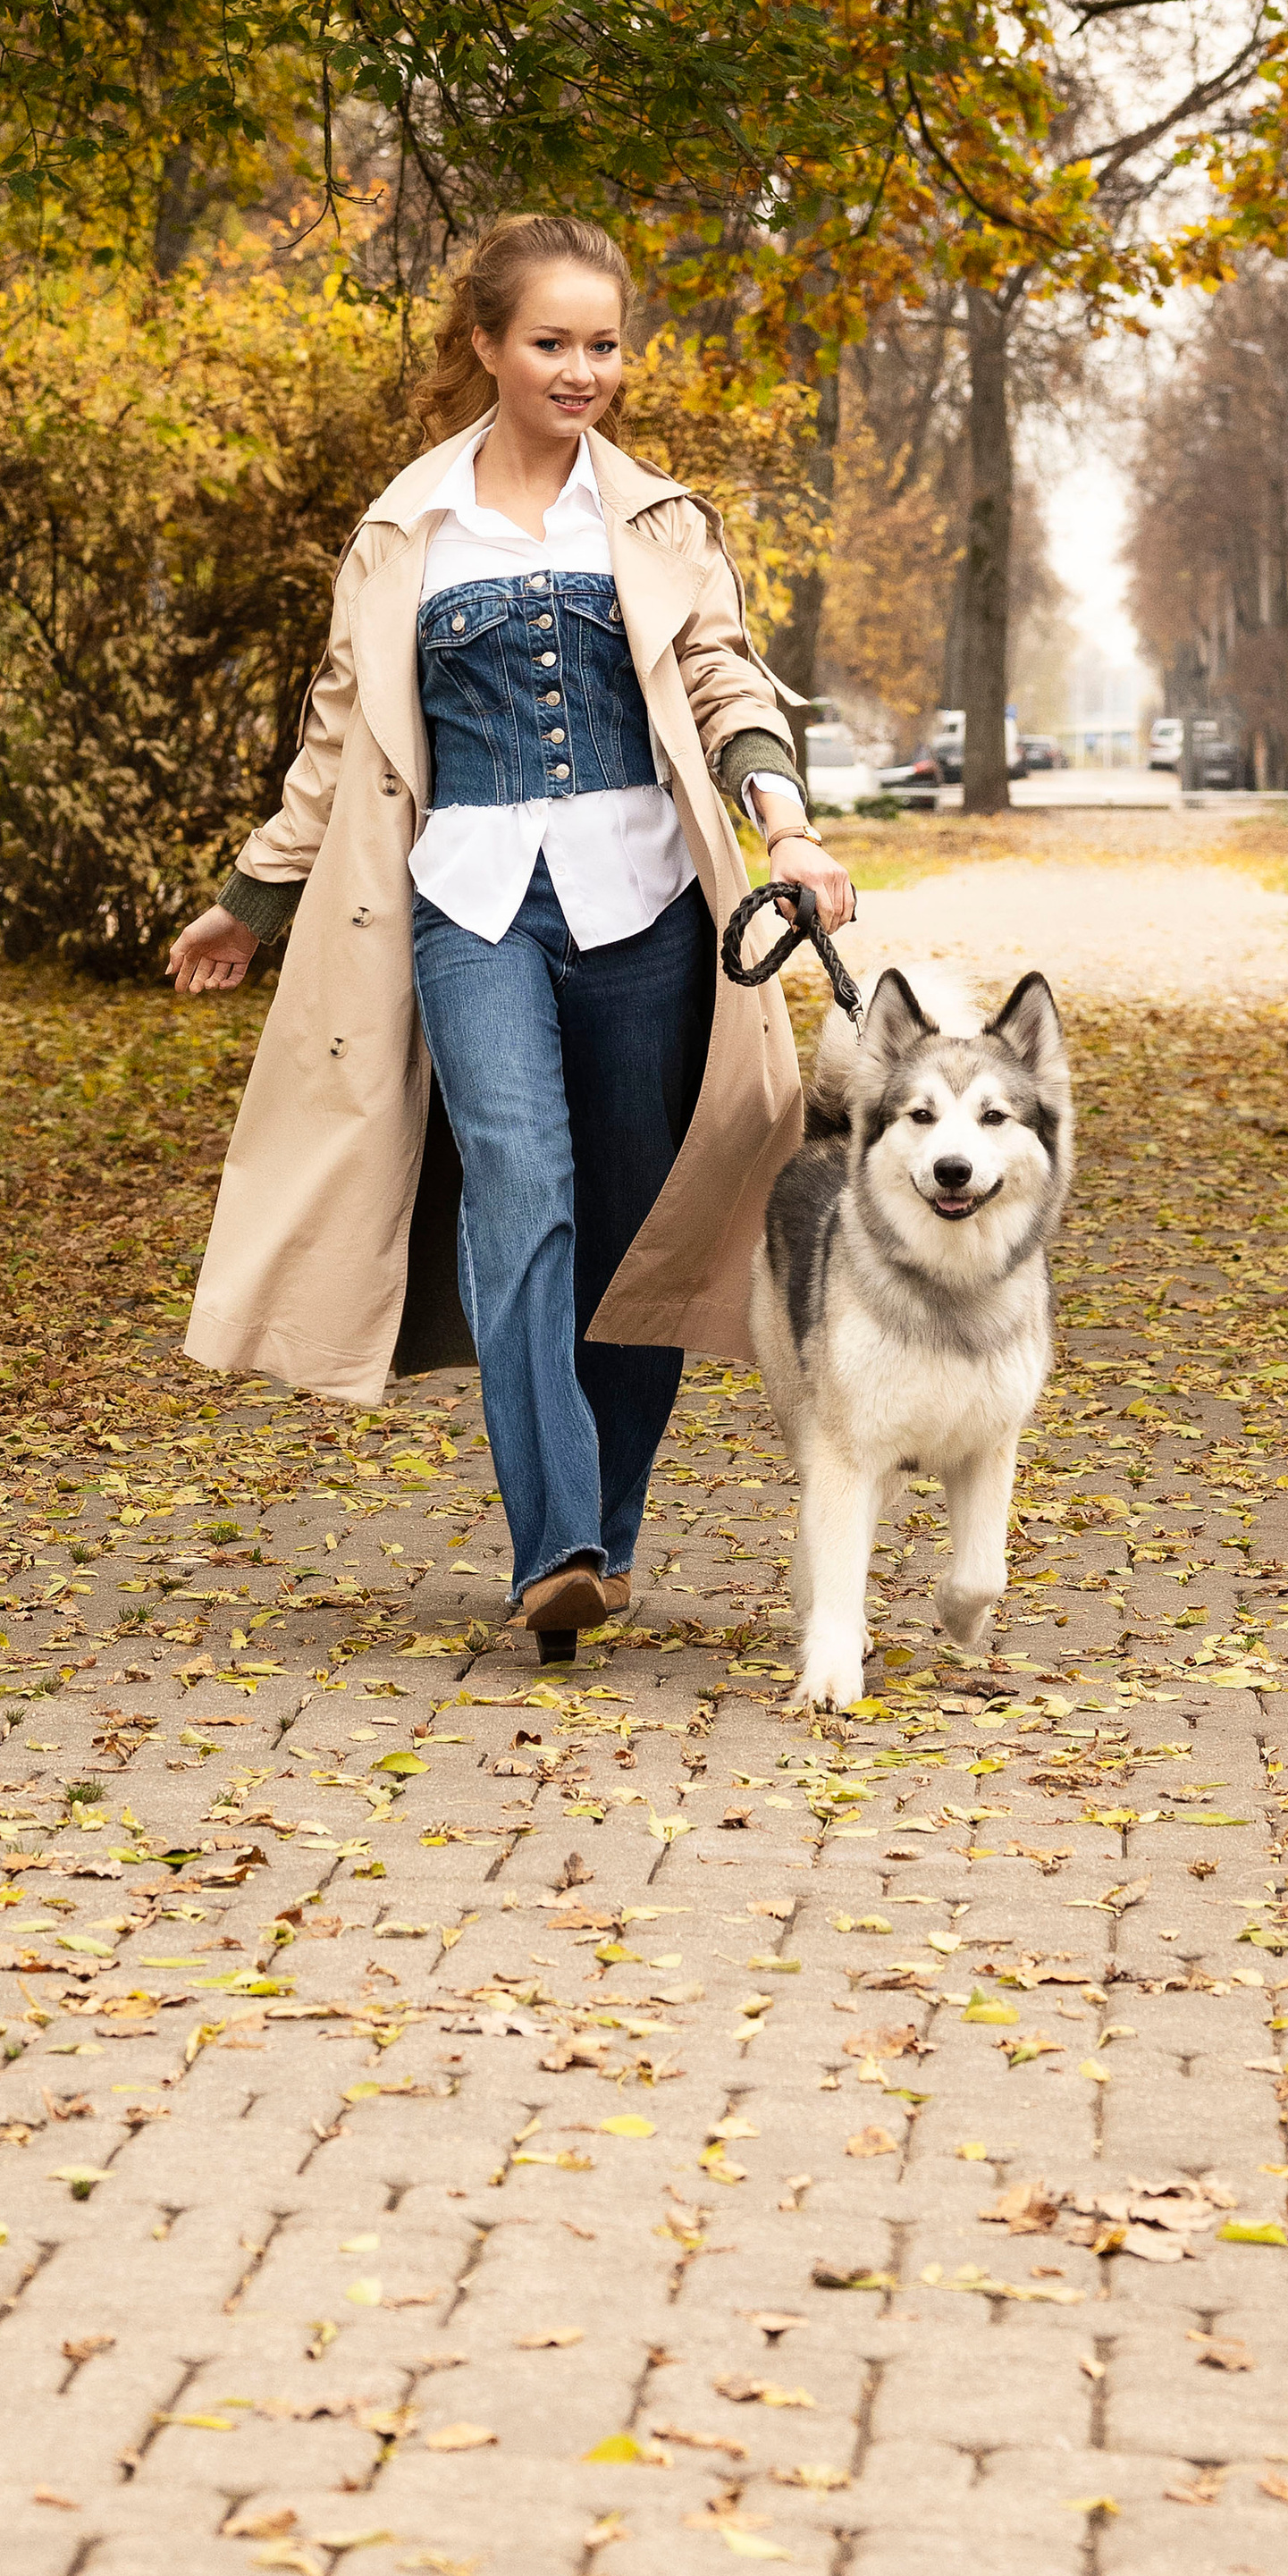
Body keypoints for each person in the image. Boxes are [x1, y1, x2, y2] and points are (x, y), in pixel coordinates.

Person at [169, 215, 854, 1660]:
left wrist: (785, 831)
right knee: (520, 1188)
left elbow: (730, 686)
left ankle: (606, 1522)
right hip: (466, 905)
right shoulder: (405, 531)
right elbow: (341, 735)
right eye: (552, 342)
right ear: (483, 345)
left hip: (651, 910)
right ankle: (555, 1543)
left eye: (604, 344)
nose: (583, 370)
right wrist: (254, 897)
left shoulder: (661, 521)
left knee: (637, 1229)